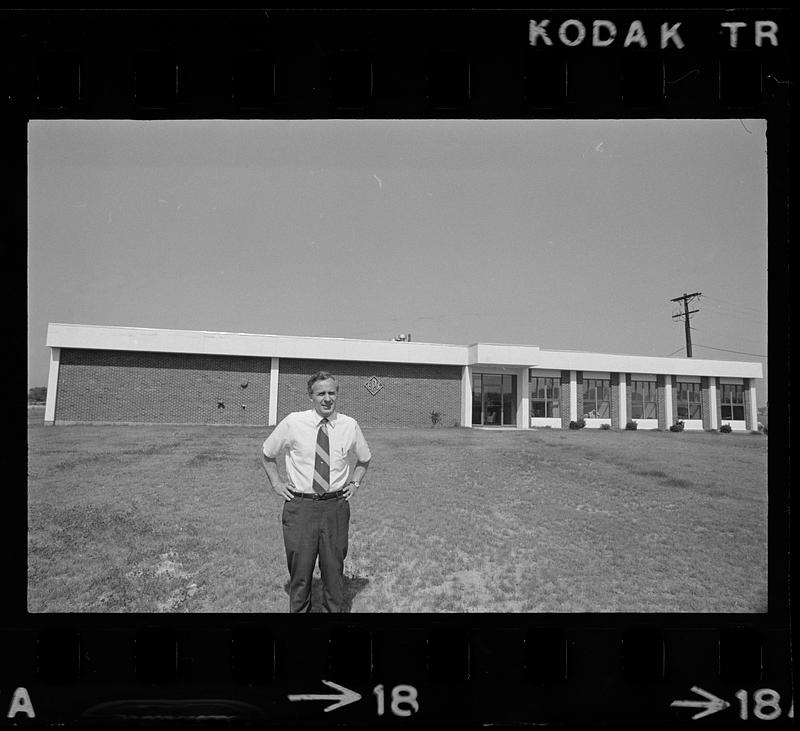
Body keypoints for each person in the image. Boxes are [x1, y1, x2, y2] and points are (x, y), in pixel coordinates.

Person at [260, 371, 371, 613]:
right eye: (321, 393)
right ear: (311, 396)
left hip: (336, 507)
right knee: (300, 572)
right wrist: (277, 483)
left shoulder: (349, 425)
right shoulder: (293, 422)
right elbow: (268, 454)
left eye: (332, 393)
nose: (327, 398)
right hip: (301, 507)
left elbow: (364, 459)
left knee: (333, 571)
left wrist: (355, 483)